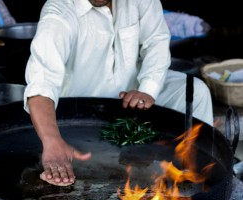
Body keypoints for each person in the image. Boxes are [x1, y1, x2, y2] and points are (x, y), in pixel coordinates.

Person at [23, 0, 213, 186]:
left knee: (195, 92)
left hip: (132, 96)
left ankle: (196, 177)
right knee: (100, 168)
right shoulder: (58, 12)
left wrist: (147, 88)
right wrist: (52, 141)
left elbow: (156, 40)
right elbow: (41, 84)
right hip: (82, 115)